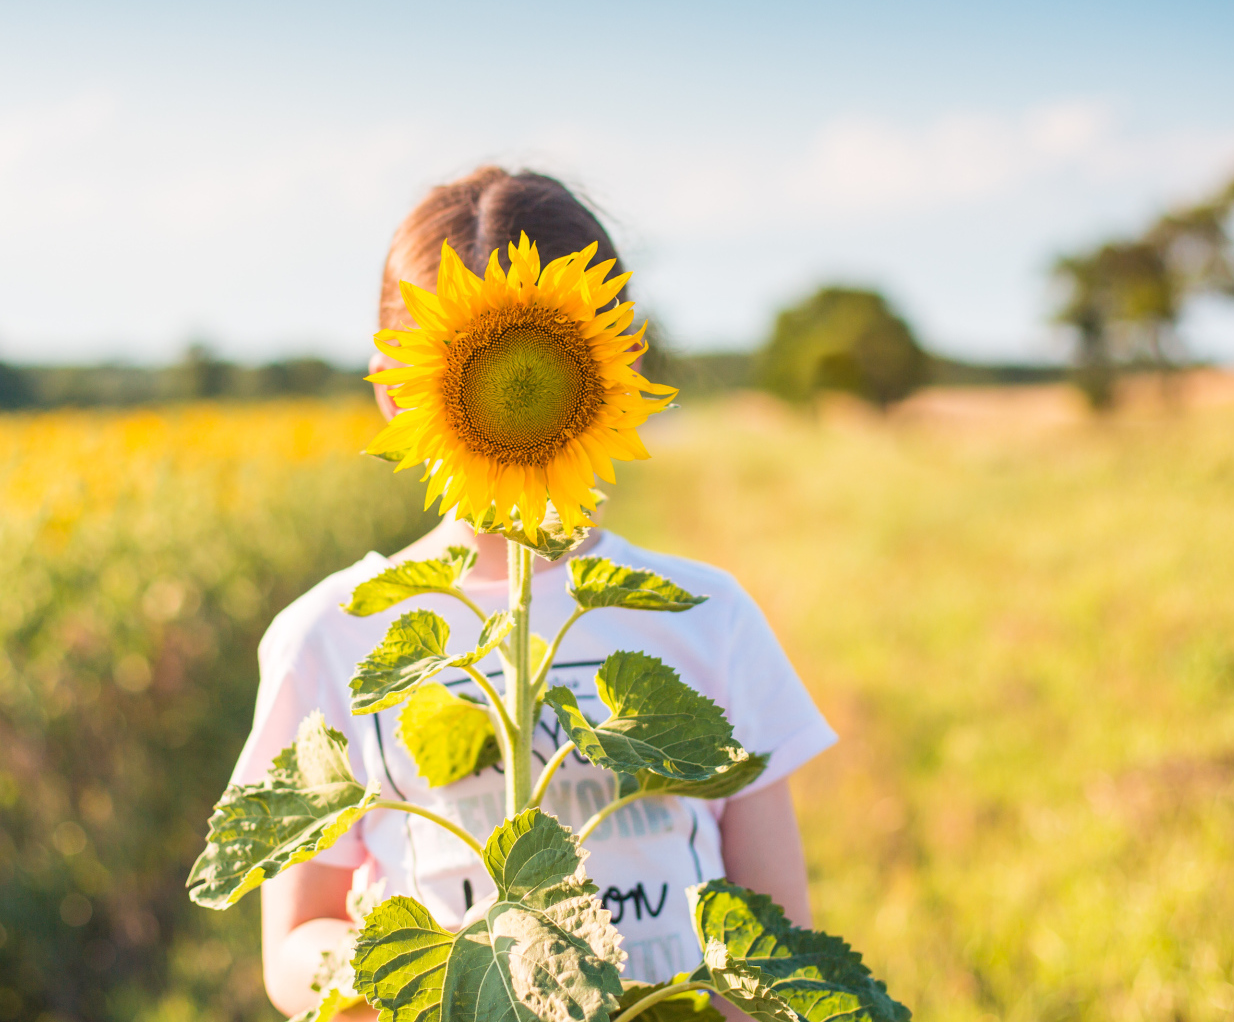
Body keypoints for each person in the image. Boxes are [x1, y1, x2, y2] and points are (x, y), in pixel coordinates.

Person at [235, 166, 839, 1018]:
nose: (515, 390)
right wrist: (428, 969)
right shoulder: (333, 634)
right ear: (392, 387)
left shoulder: (709, 618)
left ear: (618, 365)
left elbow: (772, 935)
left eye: (547, 360)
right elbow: (294, 947)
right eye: (472, 368)